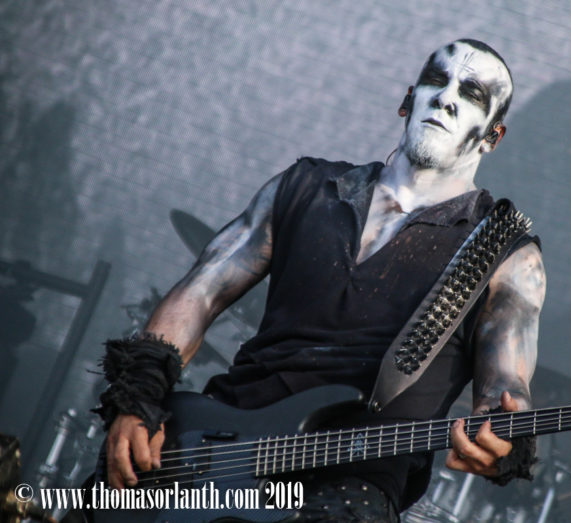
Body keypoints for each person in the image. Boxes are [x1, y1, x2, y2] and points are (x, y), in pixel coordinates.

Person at [96, 39, 546, 521]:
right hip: (213, 446)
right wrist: (139, 399)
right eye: (437, 80)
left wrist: (505, 438)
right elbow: (201, 291)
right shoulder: (306, 186)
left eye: (471, 93)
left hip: (352, 483)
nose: (446, 98)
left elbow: (506, 384)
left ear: (492, 136)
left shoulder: (505, 252)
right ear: (408, 99)